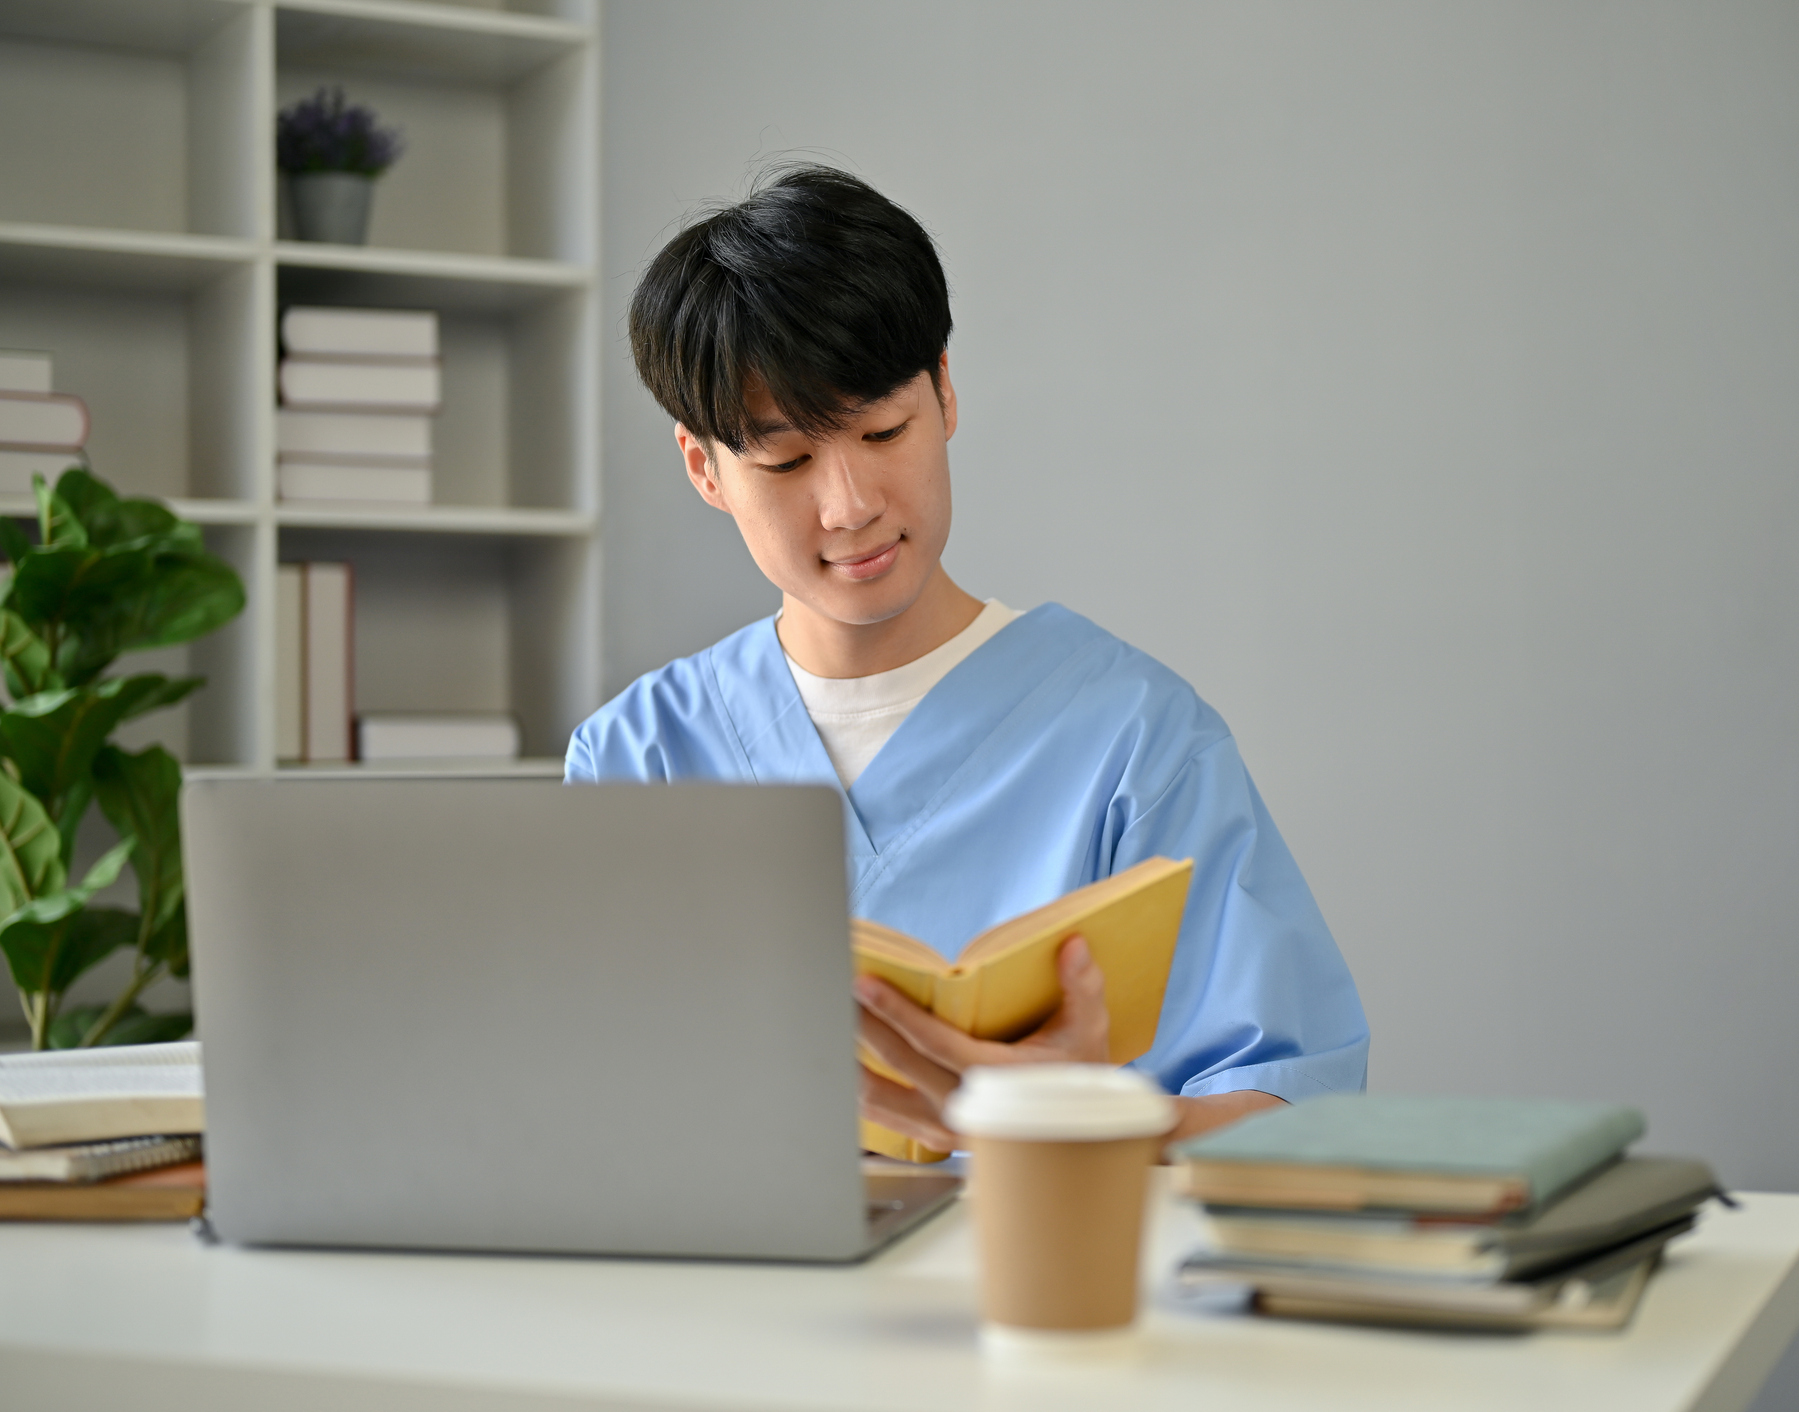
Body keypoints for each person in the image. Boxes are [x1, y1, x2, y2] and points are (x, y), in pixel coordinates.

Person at [569, 166, 1367, 1149]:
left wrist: (1082, 1119)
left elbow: (1296, 1107)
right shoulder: (637, 756)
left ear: (944, 393)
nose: (850, 503)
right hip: (718, 1291)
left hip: (1031, 1279)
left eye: (883, 430)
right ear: (704, 467)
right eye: (785, 462)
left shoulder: (1134, 739)